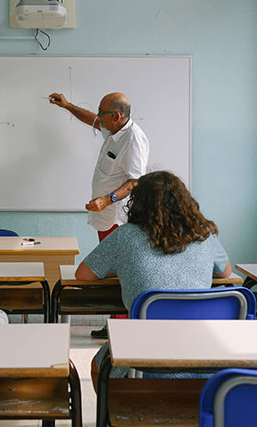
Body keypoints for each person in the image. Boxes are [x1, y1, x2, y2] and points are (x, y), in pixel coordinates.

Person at [74, 171, 232, 387]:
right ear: (185, 201)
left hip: (142, 362)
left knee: (98, 363)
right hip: (205, 361)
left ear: (138, 203)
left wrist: (121, 265)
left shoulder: (125, 235)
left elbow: (83, 274)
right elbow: (225, 272)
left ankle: (117, 417)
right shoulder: (203, 235)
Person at [49, 91, 149, 338]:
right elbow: (92, 120)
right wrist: (68, 106)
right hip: (106, 218)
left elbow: (136, 182)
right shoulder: (115, 130)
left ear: (116, 116)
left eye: (102, 113)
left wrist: (107, 199)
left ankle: (120, 327)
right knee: (111, 270)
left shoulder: (133, 140)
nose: (98, 118)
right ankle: (116, 324)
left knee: (118, 273)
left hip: (118, 218)